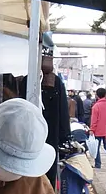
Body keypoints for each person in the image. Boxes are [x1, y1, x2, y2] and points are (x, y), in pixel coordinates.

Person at [17, 49, 71, 186]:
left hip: (28, 133)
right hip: (50, 135)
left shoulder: (27, 80)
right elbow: (63, 110)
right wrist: (65, 136)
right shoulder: (57, 82)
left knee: (28, 170)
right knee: (48, 169)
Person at [89, 87, 106, 169]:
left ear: (97, 95)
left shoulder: (96, 106)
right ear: (105, 94)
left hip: (98, 129)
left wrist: (92, 129)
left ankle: (98, 164)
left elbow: (94, 119)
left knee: (97, 147)